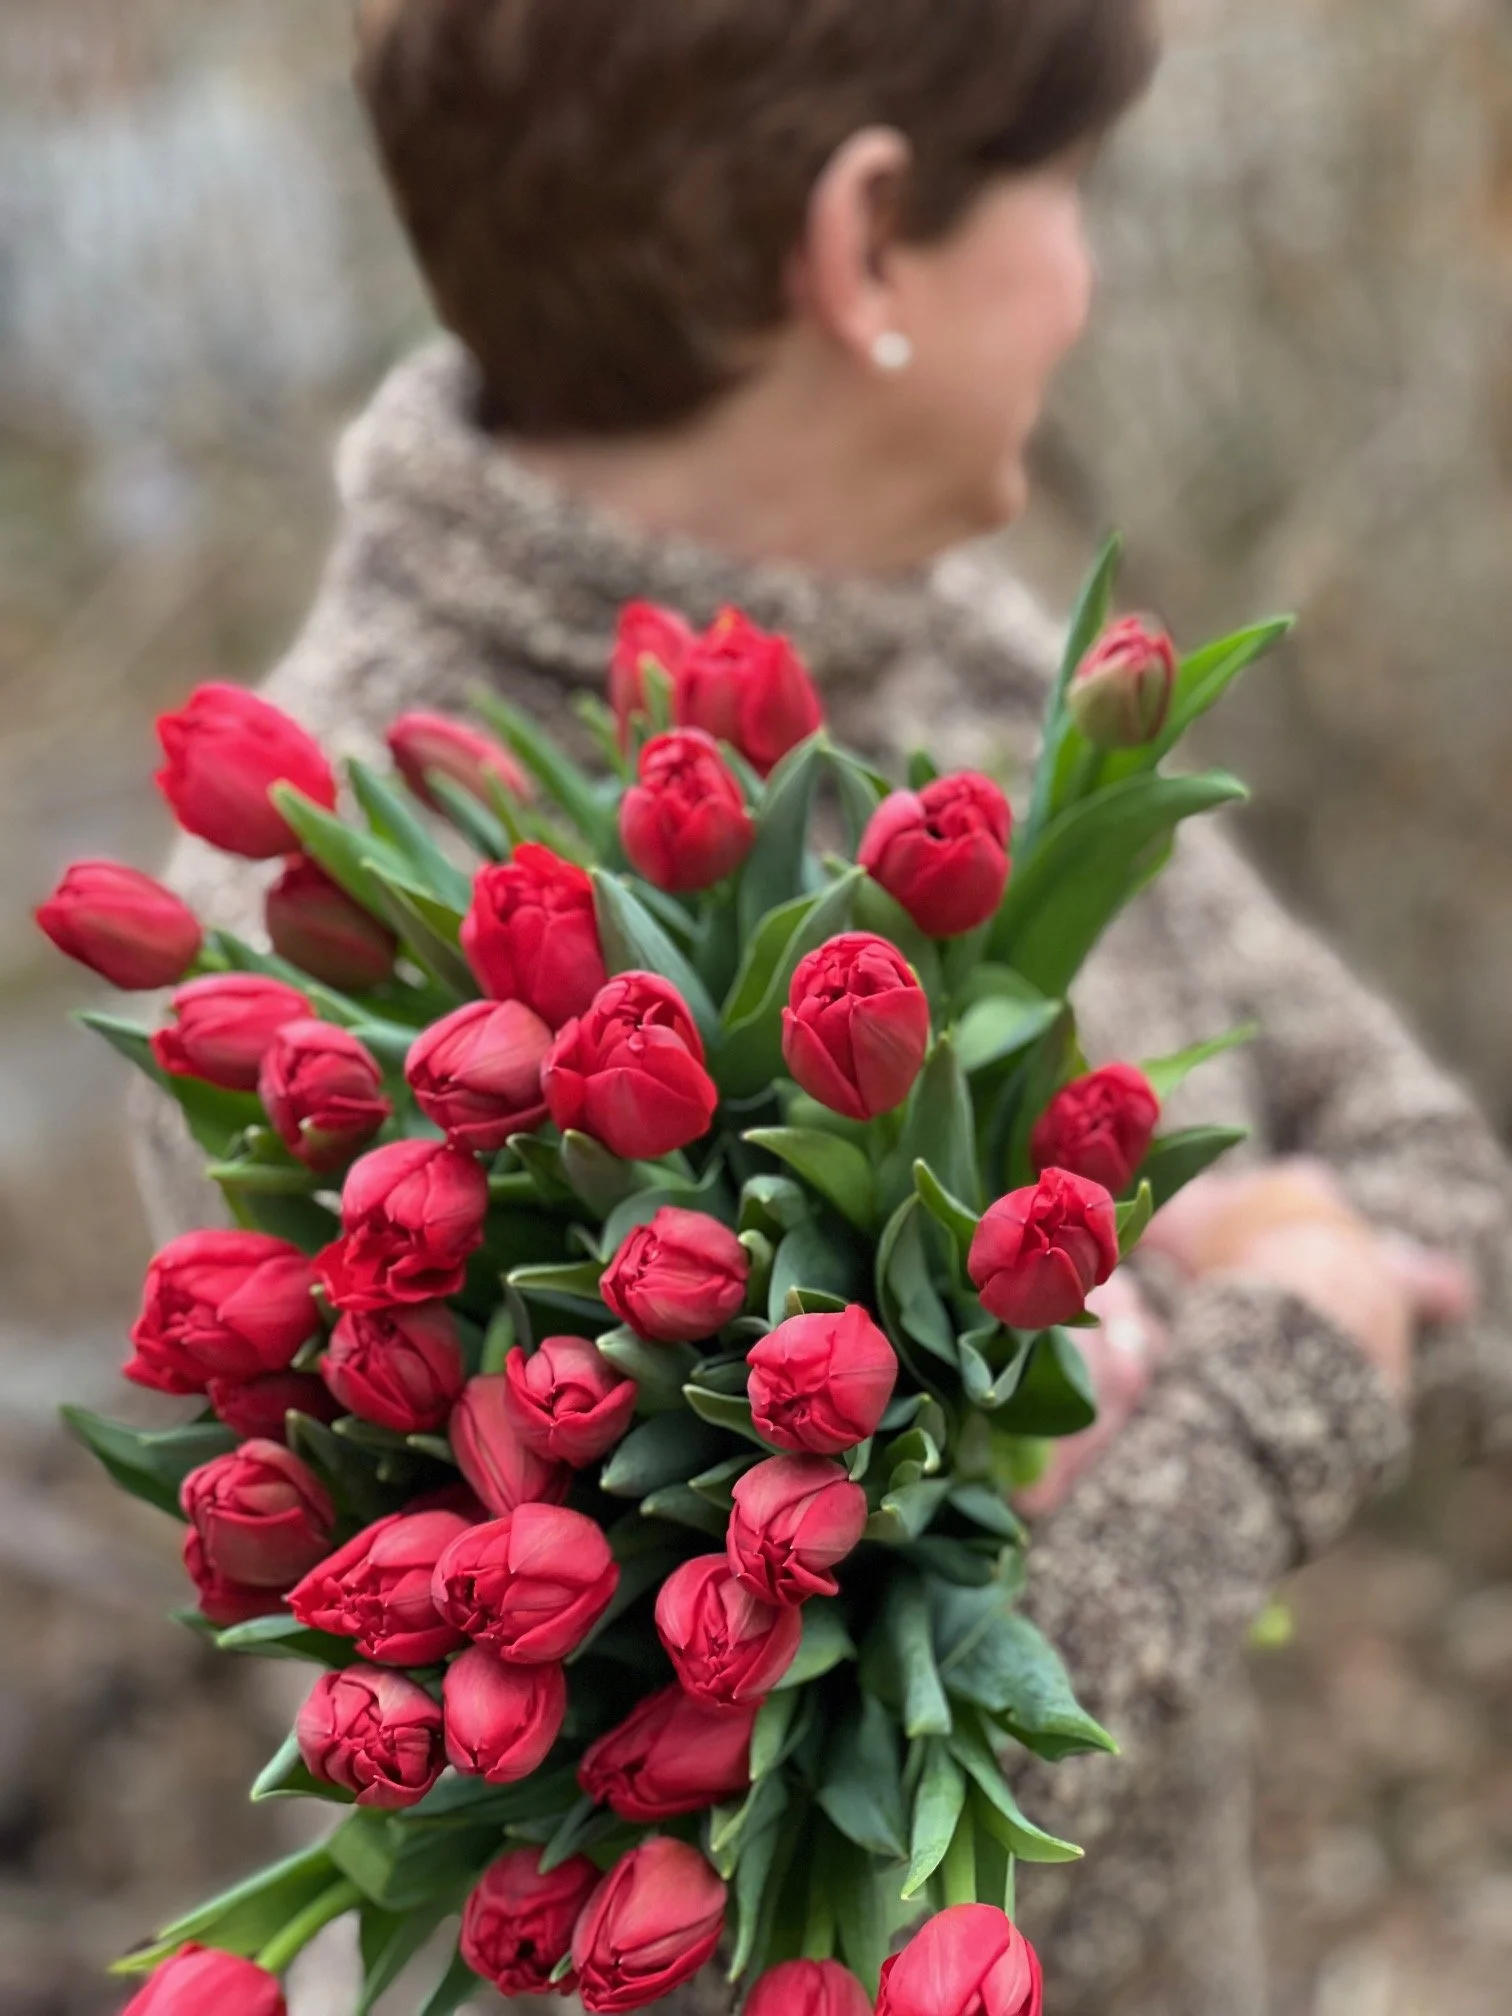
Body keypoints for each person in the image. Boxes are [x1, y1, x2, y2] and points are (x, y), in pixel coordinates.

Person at [137, 3, 1512, 2010]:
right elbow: (655, 1880)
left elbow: (1444, 1200)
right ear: (869, 244)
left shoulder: (931, 624)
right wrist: (1279, 1375)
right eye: (1066, 191)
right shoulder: (325, 902)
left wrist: (1223, 1291)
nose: (1086, 276)